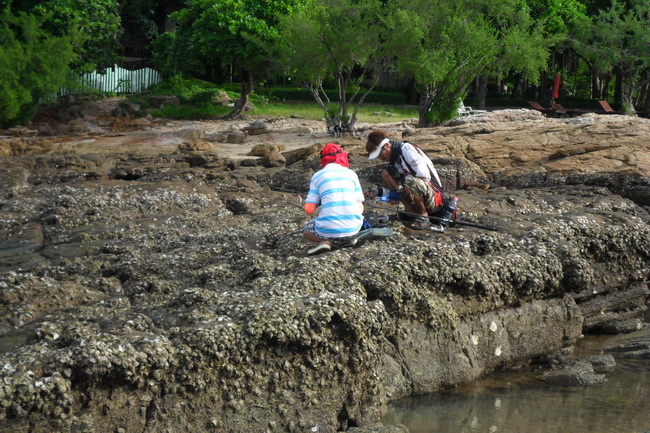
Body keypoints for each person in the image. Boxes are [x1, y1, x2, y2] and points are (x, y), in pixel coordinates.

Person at [366, 130, 444, 230]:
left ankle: (423, 215)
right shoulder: (395, 159)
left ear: (387, 145)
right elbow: (401, 186)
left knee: (411, 182)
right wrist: (380, 192)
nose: (380, 158)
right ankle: (410, 211)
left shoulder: (407, 150)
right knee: (386, 174)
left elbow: (424, 178)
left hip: (435, 198)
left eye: (379, 154)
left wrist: (398, 190)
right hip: (419, 192)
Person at [303, 143, 365, 255]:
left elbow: (309, 210)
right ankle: (348, 239)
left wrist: (318, 202)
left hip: (326, 229)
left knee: (306, 230)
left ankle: (325, 241)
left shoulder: (317, 176)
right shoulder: (352, 174)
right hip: (354, 227)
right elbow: (360, 207)